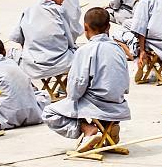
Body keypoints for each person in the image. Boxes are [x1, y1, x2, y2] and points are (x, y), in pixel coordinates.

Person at [42, 8, 130, 152]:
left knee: (49, 112)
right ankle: (109, 128)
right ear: (108, 27)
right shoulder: (118, 49)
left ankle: (88, 129)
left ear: (85, 28)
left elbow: (76, 88)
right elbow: (125, 84)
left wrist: (72, 98)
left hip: (96, 104)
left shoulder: (85, 51)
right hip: (118, 106)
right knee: (99, 90)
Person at [8, 0, 75, 80]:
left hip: (32, 65)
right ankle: (64, 89)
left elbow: (17, 38)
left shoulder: (28, 10)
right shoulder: (59, 10)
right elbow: (69, 38)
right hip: (60, 62)